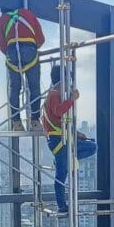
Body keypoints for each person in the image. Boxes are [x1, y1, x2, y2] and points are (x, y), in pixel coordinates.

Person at [42, 64, 97, 214]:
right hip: (59, 141)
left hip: (62, 139)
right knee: (61, 175)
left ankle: (66, 159)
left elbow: (60, 121)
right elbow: (58, 111)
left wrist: (76, 133)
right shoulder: (54, 95)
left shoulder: (53, 95)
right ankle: (61, 206)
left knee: (92, 146)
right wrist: (72, 99)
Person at [0, 7, 45, 132]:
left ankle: (16, 123)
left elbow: (3, 48)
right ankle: (35, 121)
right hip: (30, 50)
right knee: (34, 87)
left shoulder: (1, 20)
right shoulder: (27, 13)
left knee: (15, 88)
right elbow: (40, 40)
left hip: (12, 53)